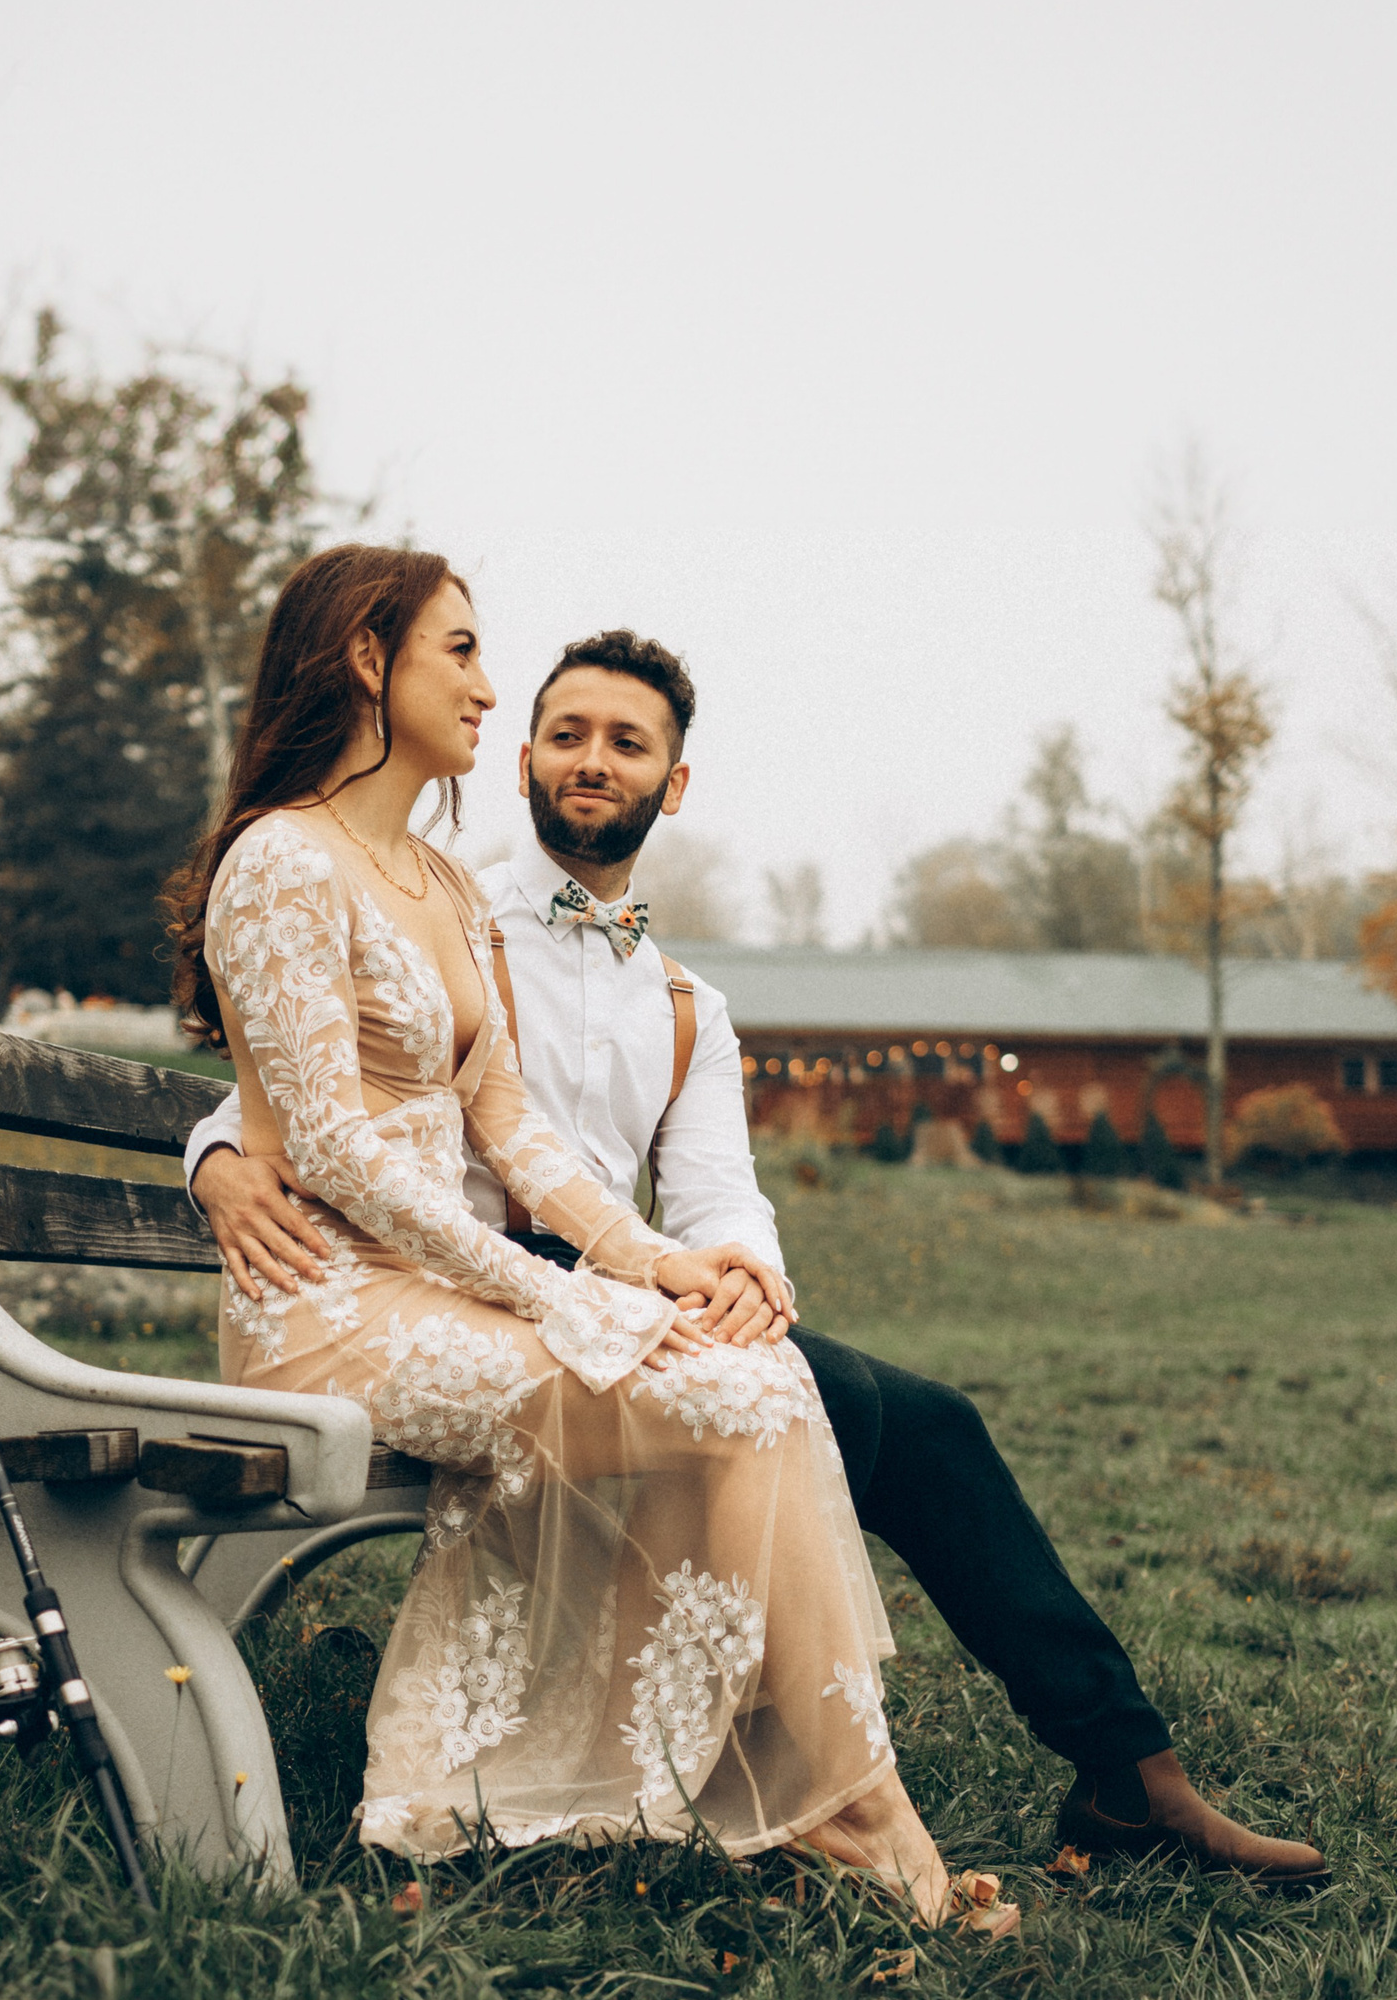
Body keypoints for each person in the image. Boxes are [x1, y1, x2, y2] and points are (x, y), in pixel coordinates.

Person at [188, 620, 1330, 1885]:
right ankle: (796, 1778)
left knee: (930, 1419)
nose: (592, 760)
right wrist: (212, 1159)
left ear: (672, 786)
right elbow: (297, 1080)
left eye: (627, 744)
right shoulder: (438, 907)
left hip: (612, 1283)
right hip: (456, 1288)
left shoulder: (688, 1006)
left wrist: (744, 1275)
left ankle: (1127, 1772)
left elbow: (722, 1194)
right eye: (566, 735)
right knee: (833, 1408)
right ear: (521, 761)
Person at [165, 545, 989, 1924]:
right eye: (464, 651)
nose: (491, 687)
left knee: (757, 1373)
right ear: (368, 661)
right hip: (330, 1316)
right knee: (723, 1387)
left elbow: (514, 1133)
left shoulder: (433, 879)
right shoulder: (281, 863)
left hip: (437, 1299)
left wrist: (654, 1262)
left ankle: (824, 1787)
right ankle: (839, 1805)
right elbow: (331, 1152)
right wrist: (550, 1299)